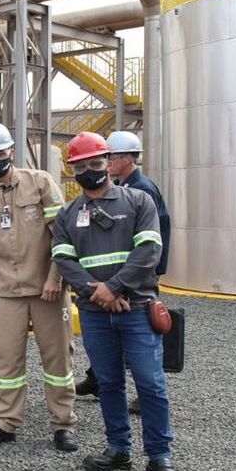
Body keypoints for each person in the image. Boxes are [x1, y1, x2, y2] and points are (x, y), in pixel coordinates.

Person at [52, 132, 186, 471]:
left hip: (137, 308)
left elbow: (149, 252)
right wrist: (97, 293)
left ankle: (159, 457)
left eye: (96, 163)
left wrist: (114, 287)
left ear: (109, 162)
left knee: (150, 383)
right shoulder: (68, 214)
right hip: (96, 313)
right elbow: (63, 259)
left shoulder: (139, 201)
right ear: (72, 170)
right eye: (81, 166)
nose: (90, 170)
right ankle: (118, 448)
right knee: (108, 383)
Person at [0, 122, 77, 451]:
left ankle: (63, 423)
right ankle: (6, 420)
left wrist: (55, 277)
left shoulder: (40, 182)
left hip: (47, 289)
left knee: (57, 360)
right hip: (5, 291)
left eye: (0, 153)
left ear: (11, 152)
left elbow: (63, 235)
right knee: (7, 362)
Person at [76, 130, 172, 402]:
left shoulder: (140, 191)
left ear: (129, 158)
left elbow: (147, 242)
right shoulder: (124, 187)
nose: (108, 161)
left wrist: (120, 286)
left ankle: (144, 395)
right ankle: (97, 378)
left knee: (139, 339)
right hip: (116, 282)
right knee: (109, 338)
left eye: (112, 156)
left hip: (135, 279)